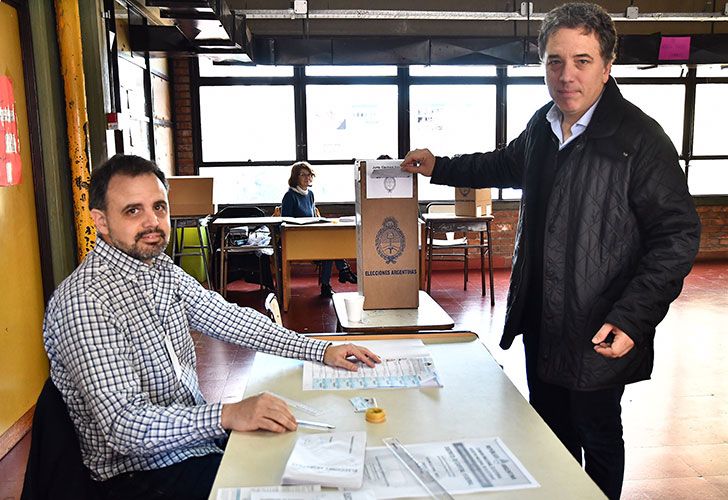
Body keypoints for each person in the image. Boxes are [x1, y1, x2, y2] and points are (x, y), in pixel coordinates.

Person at [401, 3, 700, 499]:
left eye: (582, 61)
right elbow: (498, 164)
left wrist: (632, 317)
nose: (567, 76)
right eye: (555, 62)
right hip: (542, 319)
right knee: (549, 433)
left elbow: (677, 235)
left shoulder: (639, 139)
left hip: (601, 321)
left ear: (607, 66)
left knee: (596, 433)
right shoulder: (543, 126)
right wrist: (439, 165)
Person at [42, 154, 381, 499]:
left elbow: (232, 321)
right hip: (139, 474)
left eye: (159, 207)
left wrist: (321, 349)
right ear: (100, 221)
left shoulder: (162, 271)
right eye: (133, 211)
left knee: (316, 460)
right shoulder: (86, 301)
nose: (152, 222)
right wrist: (228, 414)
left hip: (193, 445)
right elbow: (126, 427)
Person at [281, 161, 357, 298]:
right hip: (296, 240)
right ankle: (342, 271)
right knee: (327, 247)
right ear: (295, 177)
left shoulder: (310, 194)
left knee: (328, 246)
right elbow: (285, 222)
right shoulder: (290, 196)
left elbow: (313, 216)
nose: (307, 177)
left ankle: (329, 283)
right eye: (303, 175)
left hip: (312, 237)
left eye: (309, 174)